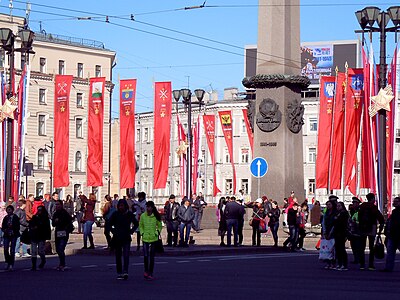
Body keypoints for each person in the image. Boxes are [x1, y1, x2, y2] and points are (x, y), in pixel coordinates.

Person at [109, 199, 138, 280]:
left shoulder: (129, 214)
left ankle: (125, 271)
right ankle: (119, 272)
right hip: (117, 237)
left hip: (126, 237)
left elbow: (136, 223)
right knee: (118, 256)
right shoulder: (115, 214)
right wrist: (113, 231)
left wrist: (131, 231)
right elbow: (109, 223)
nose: (121, 207)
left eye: (122, 206)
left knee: (126, 255)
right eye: (120, 206)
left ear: (125, 206)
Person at [358, 193, 384, 270]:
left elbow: (359, 217)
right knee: (371, 247)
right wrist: (381, 224)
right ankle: (371, 265)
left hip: (363, 228)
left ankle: (362, 264)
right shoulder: (373, 207)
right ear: (372, 199)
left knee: (362, 247)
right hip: (372, 227)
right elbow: (380, 217)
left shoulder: (362, 207)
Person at [139, 201, 162, 280]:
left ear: (152, 208)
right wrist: (142, 233)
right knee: (145, 256)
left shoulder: (155, 216)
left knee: (152, 257)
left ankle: (150, 272)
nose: (148, 208)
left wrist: (157, 232)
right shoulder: (143, 216)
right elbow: (140, 225)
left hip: (153, 238)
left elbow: (159, 225)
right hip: (145, 238)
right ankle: (146, 271)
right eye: (147, 207)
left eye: (149, 207)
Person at [52, 200, 73, 271]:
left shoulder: (64, 213)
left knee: (61, 248)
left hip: (64, 232)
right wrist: (56, 221)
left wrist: (63, 224)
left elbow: (69, 221)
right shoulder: (55, 214)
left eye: (58, 204)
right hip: (58, 232)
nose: (57, 206)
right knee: (58, 249)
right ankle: (61, 263)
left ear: (61, 205)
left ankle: (62, 264)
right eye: (56, 205)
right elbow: (53, 224)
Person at [29, 206, 51, 271]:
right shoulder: (35, 217)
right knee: (33, 251)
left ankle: (43, 260)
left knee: (40, 251)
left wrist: (47, 236)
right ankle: (34, 265)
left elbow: (47, 228)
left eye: (40, 210)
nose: (39, 211)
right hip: (34, 236)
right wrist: (32, 228)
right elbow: (30, 224)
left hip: (41, 236)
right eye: (38, 210)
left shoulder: (45, 218)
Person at [382, 197, 400, 272]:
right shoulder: (394, 212)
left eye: (396, 201)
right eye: (394, 201)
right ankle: (388, 268)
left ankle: (388, 267)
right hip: (392, 235)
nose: (394, 203)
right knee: (390, 252)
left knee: (390, 252)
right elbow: (390, 223)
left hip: (398, 235)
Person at [1, 205, 20, 270]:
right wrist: (5, 230)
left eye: (10, 210)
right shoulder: (5, 217)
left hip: (13, 235)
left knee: (12, 250)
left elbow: (17, 226)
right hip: (6, 235)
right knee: (5, 249)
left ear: (12, 210)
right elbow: (3, 226)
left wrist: (13, 230)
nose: (8, 211)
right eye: (7, 210)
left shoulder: (15, 217)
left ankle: (11, 263)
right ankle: (7, 261)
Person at [333, 202, 349, 271]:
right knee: (337, 249)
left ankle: (344, 264)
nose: (338, 207)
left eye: (339, 206)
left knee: (341, 249)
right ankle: (339, 263)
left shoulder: (344, 213)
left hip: (342, 233)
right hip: (337, 233)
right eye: (337, 206)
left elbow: (343, 224)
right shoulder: (337, 213)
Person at [322, 200, 337, 269]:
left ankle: (333, 263)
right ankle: (328, 262)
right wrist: (324, 232)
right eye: (327, 204)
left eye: (329, 204)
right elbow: (323, 222)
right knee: (327, 248)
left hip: (333, 232)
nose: (328, 206)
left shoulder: (335, 213)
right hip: (326, 231)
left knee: (332, 249)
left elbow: (335, 224)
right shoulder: (326, 213)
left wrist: (331, 232)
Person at [348, 197, 362, 264]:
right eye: (353, 203)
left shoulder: (360, 211)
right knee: (353, 245)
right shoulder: (352, 211)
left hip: (358, 231)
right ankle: (356, 258)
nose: (353, 204)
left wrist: (355, 222)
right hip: (352, 231)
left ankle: (359, 259)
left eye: (355, 203)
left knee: (358, 246)